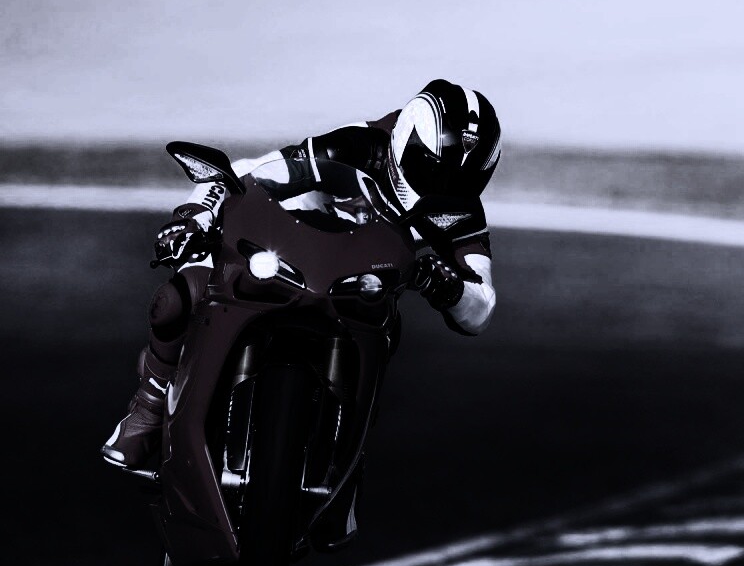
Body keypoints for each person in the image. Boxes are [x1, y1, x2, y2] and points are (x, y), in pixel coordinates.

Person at [102, 79, 502, 472]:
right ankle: (148, 409)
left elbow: (481, 305)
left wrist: (449, 288)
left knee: (385, 329)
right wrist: (195, 218)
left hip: (358, 291)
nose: (445, 189)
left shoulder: (462, 212)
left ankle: (346, 453)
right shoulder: (357, 144)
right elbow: (246, 173)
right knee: (180, 296)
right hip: (289, 254)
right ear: (406, 140)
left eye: (464, 181)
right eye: (433, 171)